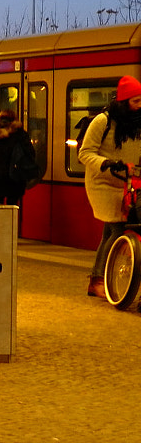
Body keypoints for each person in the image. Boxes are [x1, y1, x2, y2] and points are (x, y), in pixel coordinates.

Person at [78, 74, 141, 297]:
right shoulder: (102, 121)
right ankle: (99, 281)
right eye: (135, 101)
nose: (139, 106)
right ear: (123, 102)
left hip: (128, 183)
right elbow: (84, 153)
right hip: (102, 182)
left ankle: (97, 279)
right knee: (118, 229)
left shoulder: (138, 122)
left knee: (109, 232)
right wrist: (105, 163)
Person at [0, 108, 33, 207]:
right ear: (14, 119)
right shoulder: (21, 134)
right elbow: (30, 153)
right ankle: (12, 223)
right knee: (13, 206)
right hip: (15, 176)